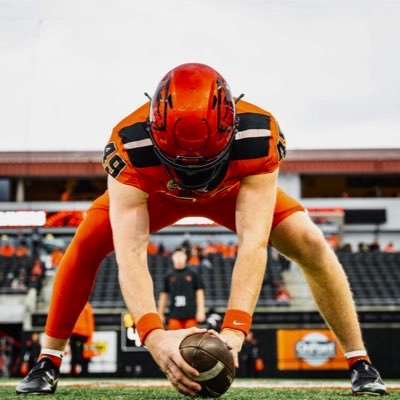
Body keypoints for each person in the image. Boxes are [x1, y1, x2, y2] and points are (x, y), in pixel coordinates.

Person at [17, 63, 386, 396]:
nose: (194, 176)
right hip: (159, 191)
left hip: (233, 189)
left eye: (202, 163)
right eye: (183, 163)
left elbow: (253, 243)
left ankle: (360, 361)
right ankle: (48, 359)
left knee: (310, 242)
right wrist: (153, 335)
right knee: (86, 241)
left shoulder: (258, 136)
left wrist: (235, 331)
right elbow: (131, 251)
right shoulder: (129, 146)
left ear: (232, 128)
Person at [158, 248, 206, 330]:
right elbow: (163, 295)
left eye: (181, 255)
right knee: (174, 340)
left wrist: (201, 310)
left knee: (190, 340)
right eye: (176, 255)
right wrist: (160, 313)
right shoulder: (168, 276)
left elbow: (199, 293)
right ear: (172, 257)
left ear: (185, 257)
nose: (179, 257)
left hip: (190, 314)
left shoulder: (193, 274)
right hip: (174, 315)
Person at [69, 302, 95, 376]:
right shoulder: (73, 305)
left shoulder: (86, 306)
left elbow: (90, 320)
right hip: (75, 333)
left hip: (83, 334)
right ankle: (74, 371)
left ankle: (83, 371)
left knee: (83, 353)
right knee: (75, 353)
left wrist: (90, 334)